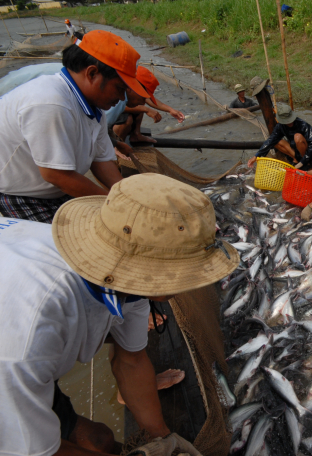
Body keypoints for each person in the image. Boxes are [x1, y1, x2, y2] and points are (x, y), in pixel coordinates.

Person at [0, 173, 238, 456]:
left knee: (99, 439)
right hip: (10, 359)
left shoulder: (124, 274)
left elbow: (131, 361)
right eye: (187, 271)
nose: (195, 282)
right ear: (149, 269)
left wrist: (163, 438)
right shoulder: (30, 335)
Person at [0, 30, 150, 223]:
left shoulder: (95, 108)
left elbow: (101, 160)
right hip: (22, 194)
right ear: (92, 73)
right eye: (120, 89)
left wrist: (126, 197)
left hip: (57, 189)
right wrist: (114, 203)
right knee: (67, 248)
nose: (122, 98)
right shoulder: (51, 103)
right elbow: (56, 174)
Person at [108, 66, 185, 147]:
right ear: (133, 87)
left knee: (140, 106)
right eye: (143, 97)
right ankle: (116, 146)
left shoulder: (130, 92)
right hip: (105, 133)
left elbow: (148, 99)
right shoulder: (117, 93)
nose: (143, 101)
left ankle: (136, 134)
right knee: (128, 119)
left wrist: (170, 110)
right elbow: (118, 107)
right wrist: (146, 109)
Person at [247, 103, 312, 170]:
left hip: (306, 154)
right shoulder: (280, 126)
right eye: (286, 121)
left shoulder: (303, 125)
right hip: (294, 151)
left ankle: (304, 163)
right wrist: (256, 156)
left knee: (297, 137)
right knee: (275, 142)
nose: (289, 122)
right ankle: (296, 159)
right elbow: (270, 140)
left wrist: (304, 160)